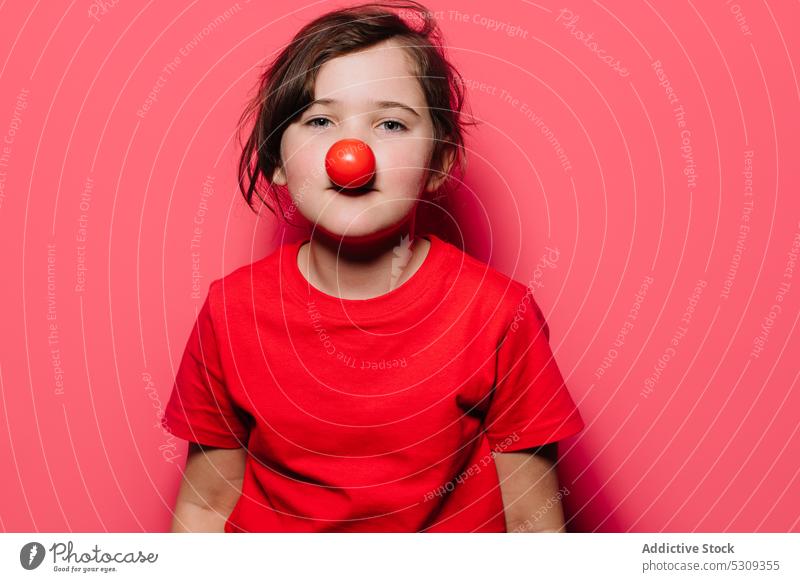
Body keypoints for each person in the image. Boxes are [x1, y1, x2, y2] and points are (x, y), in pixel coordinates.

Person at [161, 0, 585, 533]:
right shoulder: (230, 311)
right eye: (320, 120)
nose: (352, 150)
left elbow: (532, 523)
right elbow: (204, 507)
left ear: (438, 163)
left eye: (390, 123)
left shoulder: (497, 314)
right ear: (276, 161)